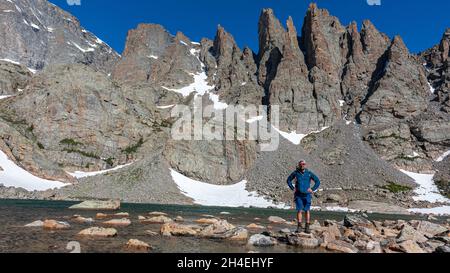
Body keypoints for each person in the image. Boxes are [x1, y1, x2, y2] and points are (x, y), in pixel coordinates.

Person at [287, 160, 321, 234]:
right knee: (299, 210)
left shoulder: (309, 173)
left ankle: (307, 227)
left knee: (307, 210)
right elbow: (288, 180)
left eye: (304, 164)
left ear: (305, 165)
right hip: (298, 195)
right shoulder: (295, 173)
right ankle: (299, 227)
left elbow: (317, 181)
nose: (302, 165)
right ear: (299, 165)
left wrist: (312, 189)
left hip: (307, 195)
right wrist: (293, 188)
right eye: (301, 164)